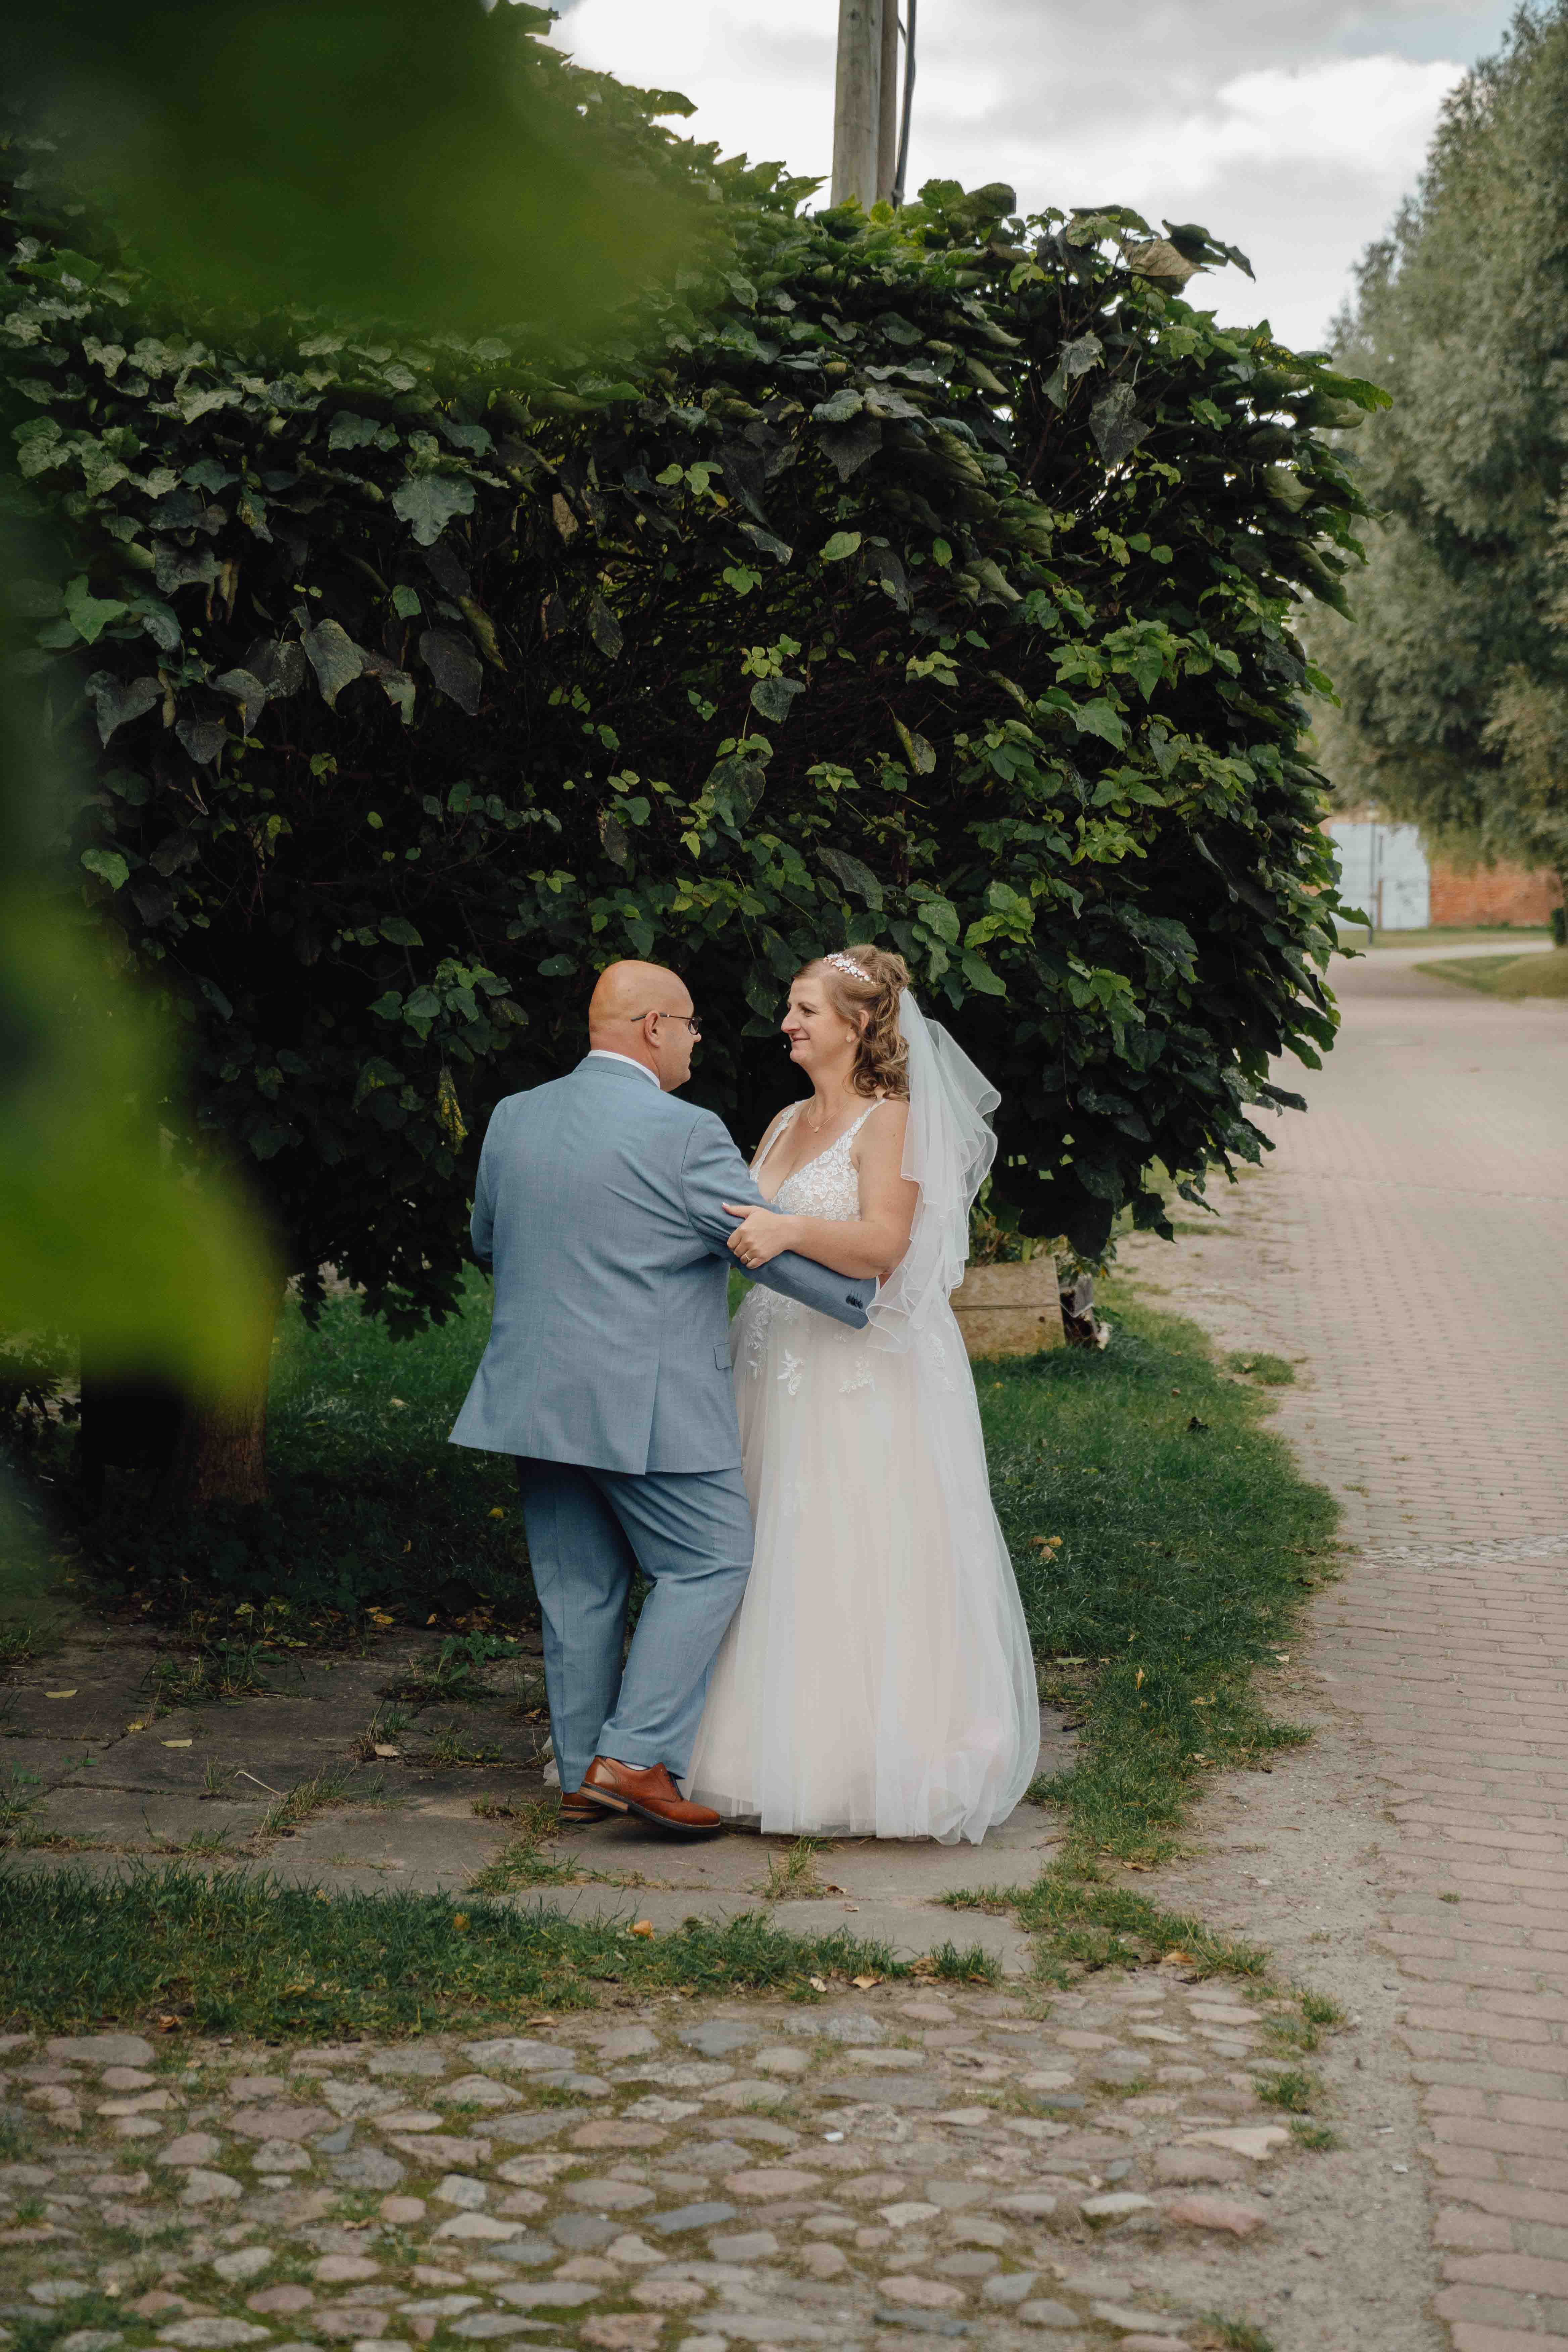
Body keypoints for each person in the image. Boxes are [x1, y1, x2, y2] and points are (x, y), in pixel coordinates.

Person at [449, 960, 875, 1837]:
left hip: (533, 1397)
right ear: (652, 1028)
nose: (694, 1042)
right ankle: (636, 1756)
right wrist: (861, 1298)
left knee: (578, 1591)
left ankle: (579, 1776)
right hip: (648, 1404)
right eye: (688, 1027)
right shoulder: (685, 1134)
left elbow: (489, 1242)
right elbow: (758, 1244)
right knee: (710, 1560)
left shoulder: (514, 1118)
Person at [684, 946, 1041, 1845]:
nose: (788, 1023)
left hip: (860, 1366)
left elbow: (883, 1245)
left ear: (857, 1024)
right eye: (790, 1008)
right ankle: (746, 1751)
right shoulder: (781, 1121)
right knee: (765, 1538)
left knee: (853, 1537)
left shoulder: (892, 1123)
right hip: (773, 1354)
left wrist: (788, 1228)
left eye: (806, 1009)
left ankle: (865, 1758)